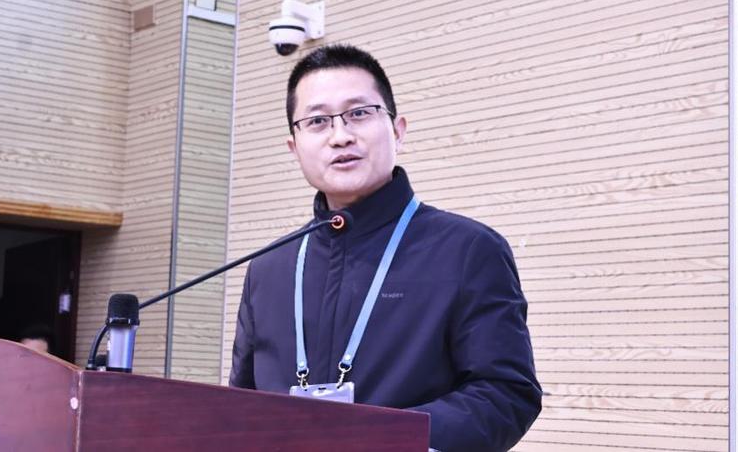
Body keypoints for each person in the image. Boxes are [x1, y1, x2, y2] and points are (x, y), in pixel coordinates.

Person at [230, 44, 542, 451]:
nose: (340, 136)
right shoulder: (269, 268)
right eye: (318, 121)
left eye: (359, 113)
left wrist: (383, 438)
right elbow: (242, 404)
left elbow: (505, 394)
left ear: (398, 131)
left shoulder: (468, 250)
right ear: (294, 147)